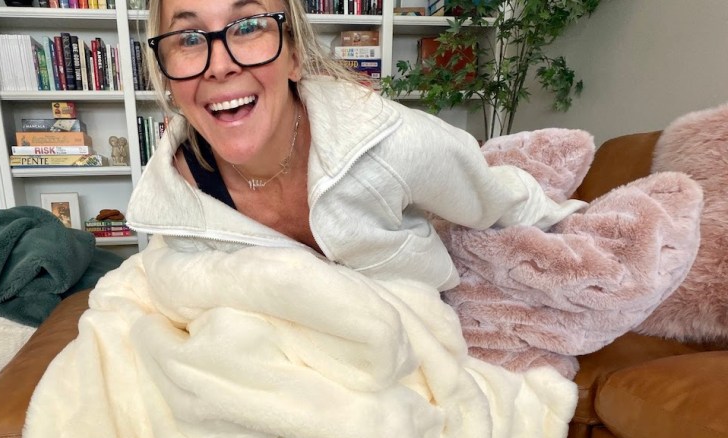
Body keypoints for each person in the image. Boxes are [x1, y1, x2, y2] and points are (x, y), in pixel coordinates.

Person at [126, 0, 586, 291]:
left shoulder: (391, 143)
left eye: (247, 27)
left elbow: (496, 199)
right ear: (167, 76)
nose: (219, 65)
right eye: (188, 38)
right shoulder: (176, 210)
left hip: (415, 344)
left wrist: (579, 230)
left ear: (294, 56)